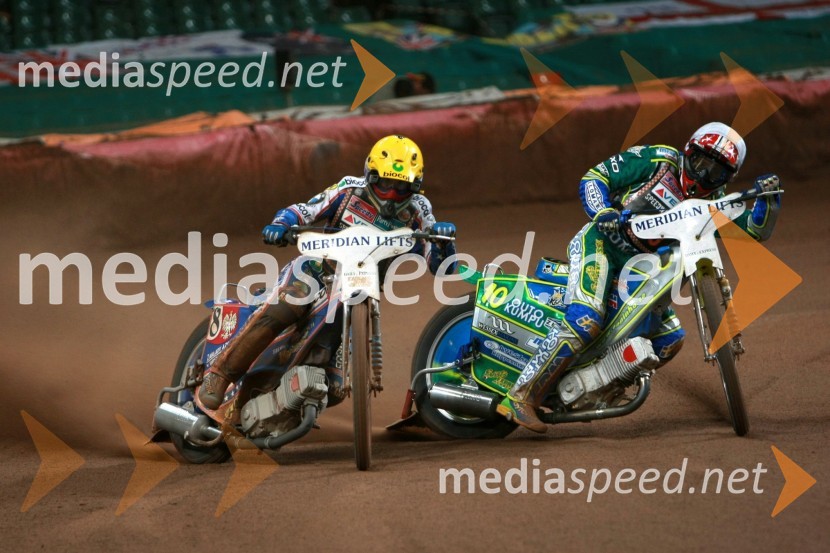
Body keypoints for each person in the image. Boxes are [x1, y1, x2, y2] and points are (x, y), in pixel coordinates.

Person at [497, 122, 782, 433]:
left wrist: (768, 202)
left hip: (641, 277)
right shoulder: (658, 160)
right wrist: (602, 211)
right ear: (688, 152)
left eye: (716, 173)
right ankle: (522, 395)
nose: (703, 177)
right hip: (602, 246)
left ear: (728, 178)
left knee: (669, 340)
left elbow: (753, 231)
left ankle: (598, 383)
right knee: (586, 319)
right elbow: (596, 177)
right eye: (700, 163)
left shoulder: (715, 201)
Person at [198, 135, 457, 410]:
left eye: (401, 187)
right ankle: (220, 375)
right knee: (285, 306)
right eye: (386, 183)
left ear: (415, 186)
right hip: (313, 272)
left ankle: (287, 401)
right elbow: (304, 210)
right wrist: (281, 223)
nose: (392, 194)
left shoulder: (420, 209)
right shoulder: (348, 189)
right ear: (370, 174)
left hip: (358, 291)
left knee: (334, 389)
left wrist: (443, 239)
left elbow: (442, 266)